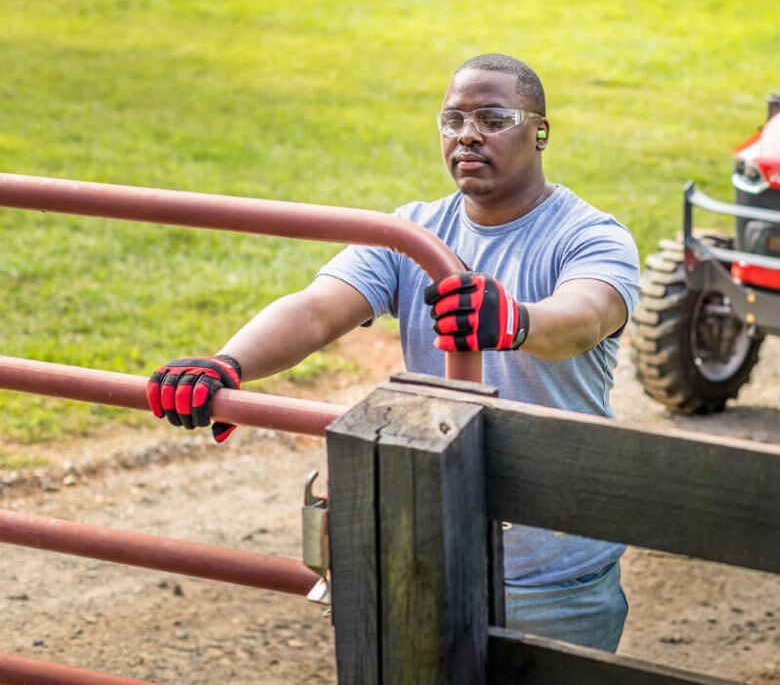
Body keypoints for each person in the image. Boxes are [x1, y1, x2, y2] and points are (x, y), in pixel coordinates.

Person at [144, 53, 641, 652]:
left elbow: (585, 317)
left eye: (492, 118)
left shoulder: (590, 235)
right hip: (429, 546)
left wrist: (514, 319)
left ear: (540, 133)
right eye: (453, 119)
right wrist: (228, 364)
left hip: (552, 569)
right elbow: (317, 308)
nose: (467, 135)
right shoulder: (414, 233)